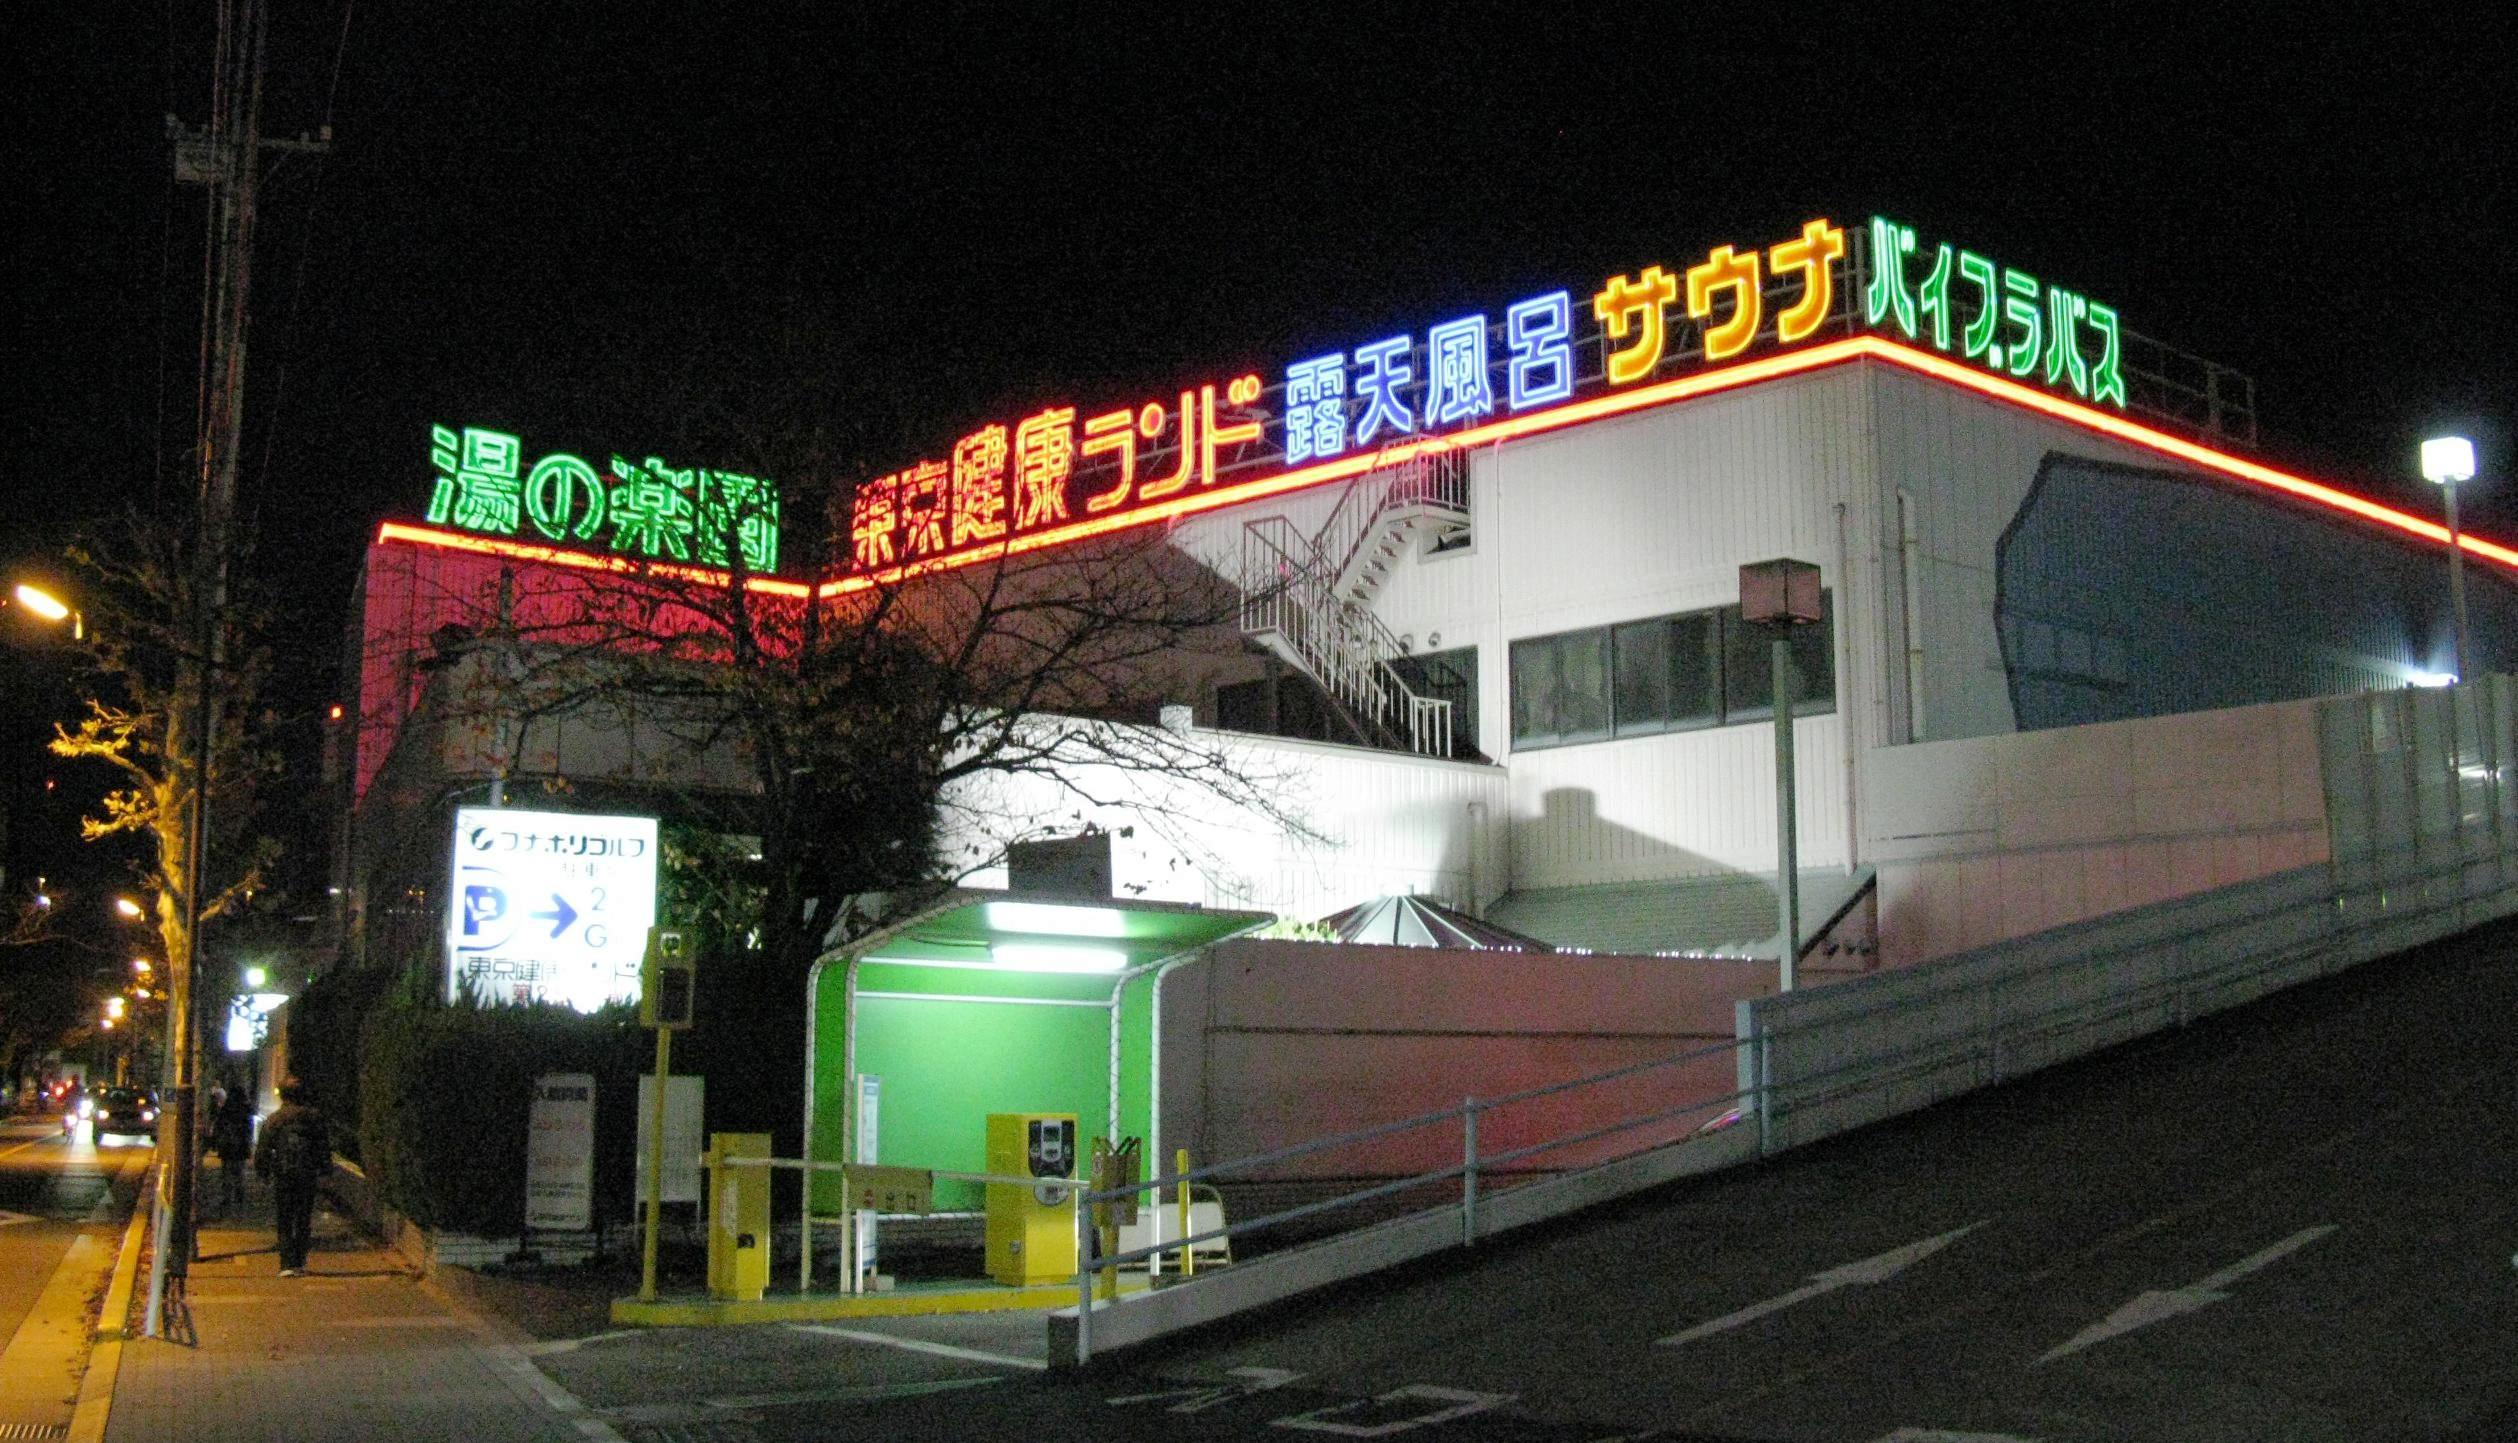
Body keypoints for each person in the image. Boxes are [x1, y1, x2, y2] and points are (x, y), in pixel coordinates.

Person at [252, 1078, 332, 1275]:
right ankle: (300, 1261)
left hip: (284, 1173)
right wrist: (325, 1171)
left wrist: (263, 1171)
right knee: (303, 1218)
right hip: (307, 1174)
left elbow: (263, 1149)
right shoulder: (314, 1118)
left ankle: (287, 1263)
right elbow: (323, 1147)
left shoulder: (275, 1119)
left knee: (285, 1217)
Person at [210, 1082, 254, 1210]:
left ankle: (227, 1198)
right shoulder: (246, 1110)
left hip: (227, 1145)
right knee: (239, 1172)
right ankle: (239, 1196)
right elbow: (248, 1129)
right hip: (241, 1146)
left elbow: (219, 1126)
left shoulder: (226, 1109)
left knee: (226, 1172)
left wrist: (216, 1142)